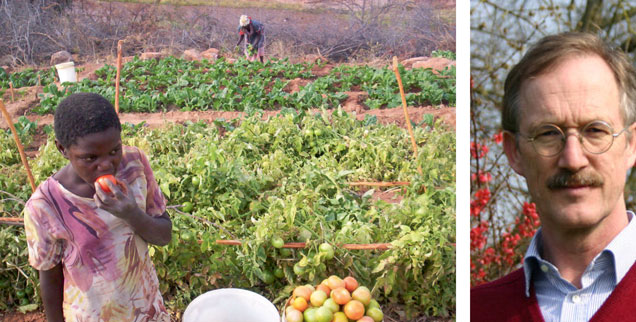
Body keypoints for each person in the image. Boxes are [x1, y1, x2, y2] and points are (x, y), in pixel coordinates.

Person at [471, 32, 636, 321]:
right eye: (548, 134)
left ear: (631, 145)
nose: (572, 159)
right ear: (515, 152)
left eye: (595, 131)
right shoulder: (477, 311)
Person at [24, 93, 172, 321]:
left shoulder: (134, 165)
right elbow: (50, 279)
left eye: (114, 151)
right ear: (62, 149)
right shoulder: (45, 206)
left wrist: (131, 213)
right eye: (90, 158)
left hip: (146, 309)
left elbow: (163, 236)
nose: (106, 165)